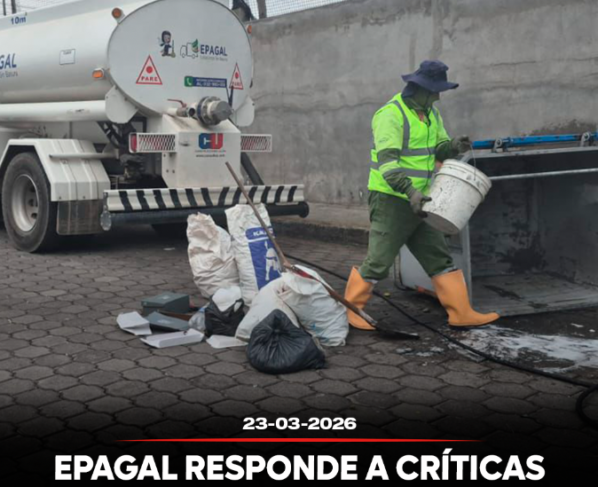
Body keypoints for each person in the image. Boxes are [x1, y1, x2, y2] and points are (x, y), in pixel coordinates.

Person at [344, 60, 499, 331]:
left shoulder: (431, 114)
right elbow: (388, 166)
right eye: (436, 91)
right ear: (421, 89)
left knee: (438, 256)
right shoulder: (390, 115)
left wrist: (453, 146)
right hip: (392, 199)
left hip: (422, 199)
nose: (439, 96)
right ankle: (351, 310)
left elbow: (439, 149)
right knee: (379, 261)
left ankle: (461, 313)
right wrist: (410, 192)